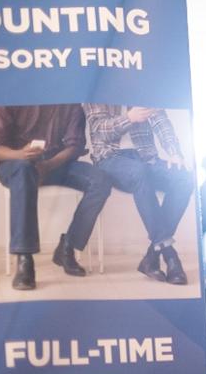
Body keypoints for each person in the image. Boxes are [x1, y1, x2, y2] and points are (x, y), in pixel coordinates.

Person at [0, 104, 112, 290]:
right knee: (24, 170)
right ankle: (25, 260)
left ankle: (67, 247)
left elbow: (75, 145)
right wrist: (20, 155)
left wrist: (49, 165)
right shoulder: (10, 98)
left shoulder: (69, 102)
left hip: (55, 163)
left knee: (100, 180)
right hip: (15, 163)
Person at [82, 104, 195, 285]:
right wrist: (130, 117)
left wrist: (175, 153)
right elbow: (100, 131)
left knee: (184, 178)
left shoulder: (141, 88)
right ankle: (170, 255)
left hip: (146, 158)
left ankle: (151, 256)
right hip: (110, 159)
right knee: (139, 172)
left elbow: (161, 122)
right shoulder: (99, 91)